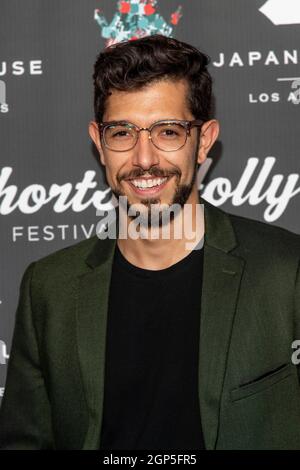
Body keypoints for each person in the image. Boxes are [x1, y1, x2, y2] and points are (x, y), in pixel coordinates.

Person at [0, 34, 300, 450]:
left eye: (168, 132)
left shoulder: (287, 271)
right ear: (99, 142)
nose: (144, 158)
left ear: (204, 140)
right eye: (122, 132)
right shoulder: (48, 287)